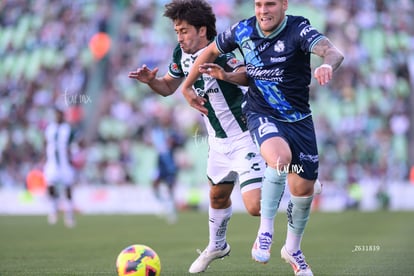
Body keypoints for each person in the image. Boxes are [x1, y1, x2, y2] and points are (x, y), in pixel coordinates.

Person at [181, 0, 344, 275]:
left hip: (299, 119)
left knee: (303, 192)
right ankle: (265, 232)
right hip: (260, 113)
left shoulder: (298, 29)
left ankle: (292, 249)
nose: (263, 10)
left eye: (270, 4)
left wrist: (327, 65)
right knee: (279, 159)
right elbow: (207, 52)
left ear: (283, 5)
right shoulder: (242, 30)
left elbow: (332, 52)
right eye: (258, 4)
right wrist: (187, 87)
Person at [128, 0, 265, 273]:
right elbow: (169, 86)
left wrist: (225, 75)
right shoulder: (180, 53)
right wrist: (151, 82)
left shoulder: (222, 51)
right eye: (177, 31)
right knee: (217, 197)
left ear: (203, 30)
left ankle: (298, 177)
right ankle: (217, 245)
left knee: (254, 207)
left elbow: (247, 75)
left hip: (244, 137)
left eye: (184, 31)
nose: (179, 37)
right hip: (217, 143)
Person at [43, 106, 80, 228]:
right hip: (52, 162)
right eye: (56, 115)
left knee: (67, 188)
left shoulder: (68, 129)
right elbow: (46, 143)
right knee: (50, 186)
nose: (57, 117)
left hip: (65, 163)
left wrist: (73, 154)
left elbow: (75, 143)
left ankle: (69, 214)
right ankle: (53, 209)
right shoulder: (50, 128)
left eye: (59, 114)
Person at [149, 107, 185, 224]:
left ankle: (171, 212)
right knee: (154, 184)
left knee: (170, 188)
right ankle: (162, 205)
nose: (164, 120)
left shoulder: (173, 132)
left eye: (166, 118)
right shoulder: (157, 131)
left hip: (170, 164)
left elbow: (179, 142)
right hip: (160, 163)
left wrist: (173, 142)